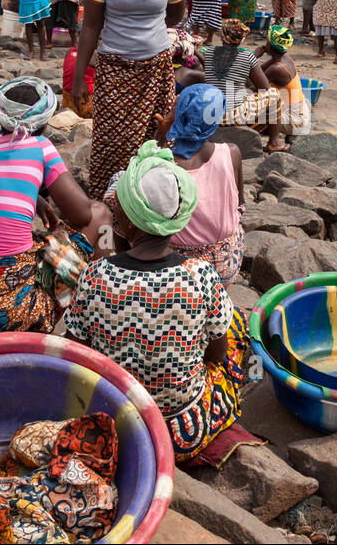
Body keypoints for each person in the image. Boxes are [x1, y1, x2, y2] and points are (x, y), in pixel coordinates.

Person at [68, 142, 251, 464]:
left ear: (124, 220)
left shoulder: (95, 275)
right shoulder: (202, 276)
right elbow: (217, 354)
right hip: (182, 430)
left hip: (114, 424)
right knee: (236, 325)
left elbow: (76, 350)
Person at [0, 79, 110, 337]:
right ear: (44, 120)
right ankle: (96, 301)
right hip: (14, 313)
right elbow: (82, 215)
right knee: (101, 213)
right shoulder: (41, 148)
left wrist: (36, 199)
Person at [72, 0, 187, 199]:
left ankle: (147, 203)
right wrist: (79, 76)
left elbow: (174, 16)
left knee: (154, 141)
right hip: (114, 69)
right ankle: (110, 205)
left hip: (156, 71)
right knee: (112, 143)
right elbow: (91, 26)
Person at [152, 83, 245, 284]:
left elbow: (141, 170)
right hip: (225, 263)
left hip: (179, 266)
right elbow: (240, 205)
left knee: (120, 190)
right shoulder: (231, 152)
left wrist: (161, 136)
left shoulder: (162, 164)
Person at [198, 19, 271, 121]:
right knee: (274, 95)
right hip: (231, 115)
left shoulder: (209, 52)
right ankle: (274, 137)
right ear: (242, 39)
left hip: (209, 112)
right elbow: (264, 87)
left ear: (222, 36)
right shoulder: (248, 57)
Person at [253, 25, 309, 151]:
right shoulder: (283, 58)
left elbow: (253, 84)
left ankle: (273, 142)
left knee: (250, 109)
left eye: (267, 41)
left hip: (294, 120)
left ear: (271, 46)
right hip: (298, 112)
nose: (265, 44)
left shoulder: (277, 69)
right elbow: (257, 73)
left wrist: (253, 57)